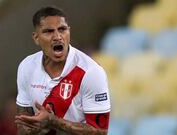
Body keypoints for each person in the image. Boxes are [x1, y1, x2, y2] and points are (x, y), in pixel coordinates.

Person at [15, 6, 111, 135]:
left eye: (62, 29)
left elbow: (100, 132)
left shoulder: (91, 72)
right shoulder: (26, 66)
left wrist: (53, 121)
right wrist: (37, 128)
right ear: (36, 38)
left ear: (69, 31)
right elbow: (22, 128)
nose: (57, 37)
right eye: (49, 31)